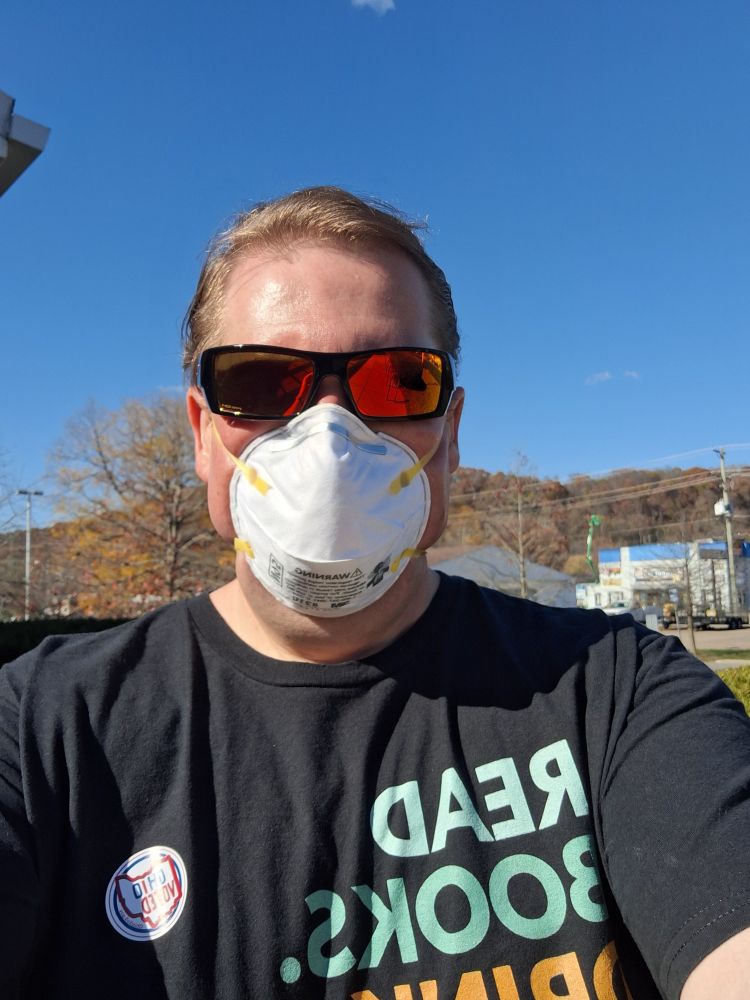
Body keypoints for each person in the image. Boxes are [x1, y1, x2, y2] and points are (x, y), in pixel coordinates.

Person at [0, 187, 748, 1000]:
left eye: (397, 380)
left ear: (451, 435)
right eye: (261, 380)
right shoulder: (44, 731)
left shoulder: (620, 695)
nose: (329, 432)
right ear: (203, 437)